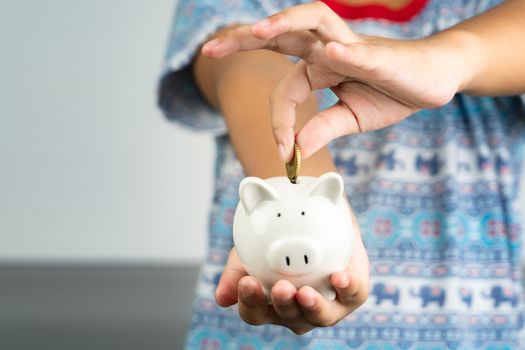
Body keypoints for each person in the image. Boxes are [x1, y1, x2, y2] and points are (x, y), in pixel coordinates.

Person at [159, 0, 525, 348]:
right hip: (267, 319)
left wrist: (443, 61)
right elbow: (247, 67)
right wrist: (309, 212)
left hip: (471, 324)